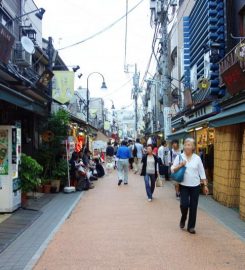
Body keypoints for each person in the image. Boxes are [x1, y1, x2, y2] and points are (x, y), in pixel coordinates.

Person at [171, 138, 209, 234]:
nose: (187, 146)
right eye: (186, 144)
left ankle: (191, 227)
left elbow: (202, 172)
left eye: (189, 145)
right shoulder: (179, 157)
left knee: (193, 206)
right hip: (183, 185)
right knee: (184, 204)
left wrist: (205, 185)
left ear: (193, 147)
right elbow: (172, 170)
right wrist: (180, 165)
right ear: (183, 146)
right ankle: (183, 218)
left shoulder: (197, 158)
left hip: (195, 186)